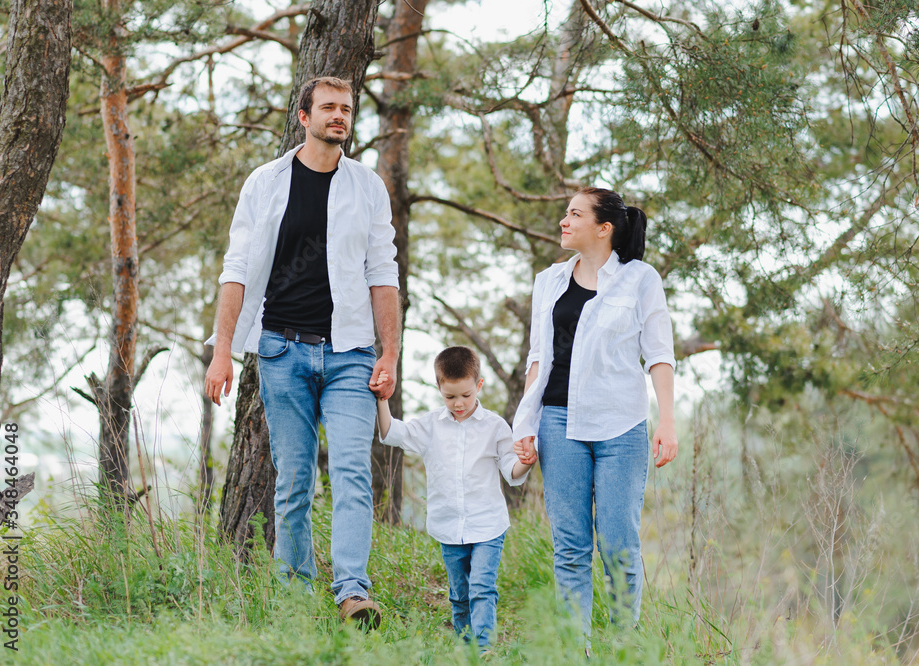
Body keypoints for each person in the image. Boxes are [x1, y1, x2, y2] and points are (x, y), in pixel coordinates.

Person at [204, 76, 399, 629]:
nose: (340, 116)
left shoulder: (368, 187)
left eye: (347, 109)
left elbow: (383, 273)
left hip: (351, 355)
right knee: (292, 481)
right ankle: (293, 598)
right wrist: (223, 352)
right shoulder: (264, 183)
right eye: (329, 108)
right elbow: (236, 271)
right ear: (303, 115)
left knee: (352, 473)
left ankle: (351, 594)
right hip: (280, 351)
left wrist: (390, 353)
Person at [511, 187, 677, 646]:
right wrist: (525, 425)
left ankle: (624, 647)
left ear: (604, 228)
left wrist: (667, 421)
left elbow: (659, 354)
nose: (564, 221)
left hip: (620, 428)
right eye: (565, 213)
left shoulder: (641, 280)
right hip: (558, 424)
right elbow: (537, 359)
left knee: (619, 544)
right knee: (570, 547)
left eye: (575, 214)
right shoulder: (548, 281)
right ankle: (574, 651)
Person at [372, 346, 533, 651]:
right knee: (460, 594)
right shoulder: (431, 426)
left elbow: (512, 471)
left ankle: (484, 650)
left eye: (466, 395)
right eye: (450, 397)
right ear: (439, 389)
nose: (458, 404)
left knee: (482, 587)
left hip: (488, 526)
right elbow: (391, 431)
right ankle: (464, 648)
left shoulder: (495, 426)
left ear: (479, 386)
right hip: (449, 527)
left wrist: (527, 460)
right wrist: (383, 400)